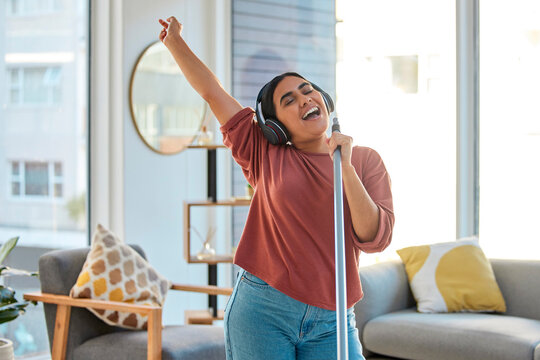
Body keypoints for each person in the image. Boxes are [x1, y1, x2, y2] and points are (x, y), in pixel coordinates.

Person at [159, 16, 394, 360]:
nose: (304, 98)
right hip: (263, 311)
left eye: (307, 90)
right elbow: (212, 92)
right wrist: (174, 41)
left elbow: (374, 237)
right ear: (275, 128)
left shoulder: (364, 160)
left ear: (324, 99)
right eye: (288, 100)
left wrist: (345, 167)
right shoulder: (263, 153)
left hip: (333, 317)